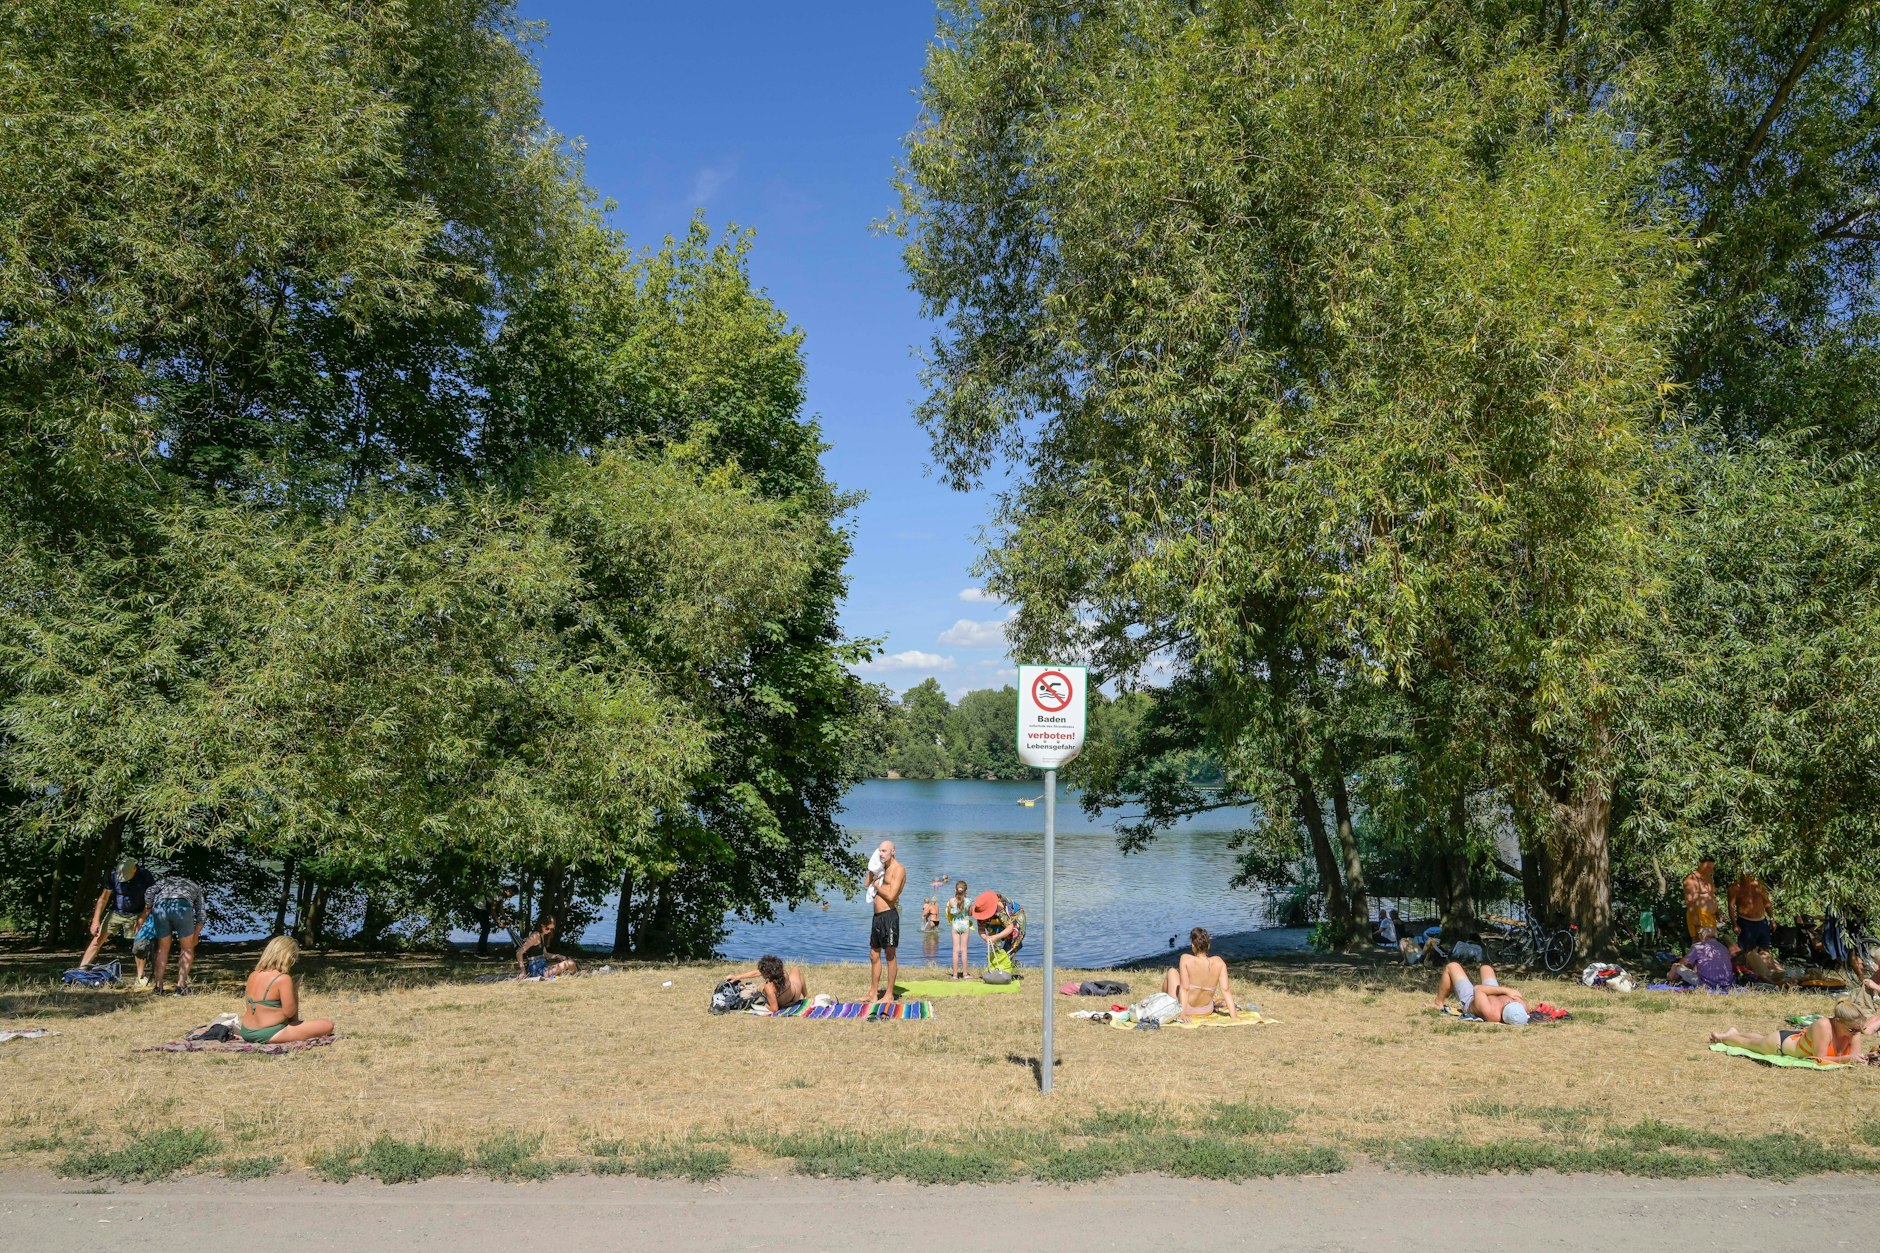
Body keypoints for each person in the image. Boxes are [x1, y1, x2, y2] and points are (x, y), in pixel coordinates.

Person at [1710, 1000, 1878, 1064]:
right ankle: (1726, 1037)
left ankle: (1733, 1032)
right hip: (1780, 1045)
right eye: (1852, 1029)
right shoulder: (1823, 1025)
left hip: (1791, 1039)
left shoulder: (1854, 1030)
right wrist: (1848, 1058)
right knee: (1748, 1044)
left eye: (1859, 1030)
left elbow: (1854, 1058)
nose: (1855, 1033)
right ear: (1838, 1021)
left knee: (1758, 1039)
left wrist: (1864, 1059)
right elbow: (1818, 1058)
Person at [237, 936, 335, 1044]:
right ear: (288, 957)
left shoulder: (253, 975)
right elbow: (290, 1014)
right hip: (269, 1032)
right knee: (327, 1025)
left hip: (246, 1031)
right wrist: (294, 991)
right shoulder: (282, 978)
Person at [78, 856, 155, 987]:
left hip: (137, 913)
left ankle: (140, 978)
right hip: (116, 912)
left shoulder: (145, 876)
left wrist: (142, 918)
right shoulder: (113, 875)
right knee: (97, 939)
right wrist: (96, 920)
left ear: (134, 870)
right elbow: (103, 899)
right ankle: (80, 973)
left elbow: (151, 901)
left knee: (139, 945)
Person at [143, 875, 206, 994]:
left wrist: (149, 906)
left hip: (161, 908)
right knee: (187, 948)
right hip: (182, 908)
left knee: (162, 948)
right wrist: (195, 935)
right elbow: (201, 914)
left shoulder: (164, 881)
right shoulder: (194, 886)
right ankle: (181, 986)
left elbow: (149, 891)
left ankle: (158, 986)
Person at [1160, 927, 1239, 1019]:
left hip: (1187, 1009)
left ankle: (1162, 1003)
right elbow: (1226, 990)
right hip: (1206, 1009)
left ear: (1193, 946)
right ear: (1208, 946)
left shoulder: (1186, 959)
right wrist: (1234, 1016)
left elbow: (1184, 989)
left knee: (1172, 972)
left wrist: (1183, 1014)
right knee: (1177, 976)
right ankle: (1163, 1002)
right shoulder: (1219, 962)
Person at [867, 840, 905, 1002]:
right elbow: (866, 883)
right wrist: (872, 868)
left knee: (890, 954)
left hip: (889, 916)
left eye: (884, 851)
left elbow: (891, 896)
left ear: (893, 851)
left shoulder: (898, 869)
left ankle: (889, 994)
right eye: (879, 851)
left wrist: (876, 885)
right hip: (877, 917)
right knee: (874, 954)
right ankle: (873, 993)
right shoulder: (882, 869)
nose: (881, 854)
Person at [1432, 961, 1530, 1024]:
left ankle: (1438, 1002)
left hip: (1471, 999)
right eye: (1512, 1001)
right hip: (1492, 994)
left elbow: (1478, 989)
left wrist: (1506, 990)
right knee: (1486, 968)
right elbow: (1517, 995)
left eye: (1507, 1003)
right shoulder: (1522, 1007)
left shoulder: (1491, 1013)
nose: (1508, 1001)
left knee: (1452, 966)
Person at [727, 955, 808, 1013]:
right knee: (796, 970)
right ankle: (806, 996)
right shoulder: (783, 972)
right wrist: (738, 976)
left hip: (787, 1001)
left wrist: (763, 1005)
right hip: (794, 995)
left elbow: (774, 1009)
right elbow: (757, 973)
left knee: (795, 970)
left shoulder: (769, 987)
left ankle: (807, 996)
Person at [970, 890, 1026, 973]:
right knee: (995, 945)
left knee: (1013, 940)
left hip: (1015, 917)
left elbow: (1010, 927)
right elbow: (981, 929)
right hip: (996, 921)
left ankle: (1008, 965)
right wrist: (986, 938)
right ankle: (998, 966)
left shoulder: (999, 908)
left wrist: (996, 937)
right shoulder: (980, 909)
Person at [1669, 925, 1734, 990]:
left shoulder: (1698, 947)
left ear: (1703, 935)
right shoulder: (1723, 947)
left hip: (1706, 984)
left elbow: (1684, 962)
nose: (1698, 937)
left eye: (1699, 935)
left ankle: (1668, 983)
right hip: (1726, 984)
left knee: (1676, 966)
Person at [515, 914, 575, 979]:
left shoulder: (541, 936)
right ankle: (578, 977)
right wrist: (523, 972)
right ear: (542, 925)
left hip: (543, 968)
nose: (549, 931)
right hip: (536, 971)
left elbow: (545, 954)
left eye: (551, 929)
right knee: (570, 963)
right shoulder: (535, 936)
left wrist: (557, 956)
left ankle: (577, 977)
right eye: (547, 928)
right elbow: (519, 953)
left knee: (570, 962)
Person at [1728, 871, 1774, 953]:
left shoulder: (1759, 885)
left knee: (1765, 951)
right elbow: (1731, 906)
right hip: (1745, 924)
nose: (1748, 874)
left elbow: (1767, 903)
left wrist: (1772, 919)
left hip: (1762, 923)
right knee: (1747, 954)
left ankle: (1765, 965)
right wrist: (1734, 924)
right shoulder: (1735, 887)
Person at [1683, 856, 1720, 941]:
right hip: (1700, 915)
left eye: (1712, 868)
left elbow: (1711, 896)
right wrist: (1696, 919)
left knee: (1711, 945)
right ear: (1700, 864)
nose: (1710, 870)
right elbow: (1689, 901)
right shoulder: (1691, 879)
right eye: (1708, 867)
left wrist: (1718, 912)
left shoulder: (1709, 878)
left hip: (1711, 917)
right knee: (1703, 945)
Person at [944, 879, 973, 980]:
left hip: (955, 926)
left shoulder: (951, 901)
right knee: (964, 950)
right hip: (965, 925)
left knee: (955, 951)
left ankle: (955, 975)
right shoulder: (969, 901)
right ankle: (965, 974)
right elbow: (970, 914)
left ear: (955, 890)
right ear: (966, 891)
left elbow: (949, 912)